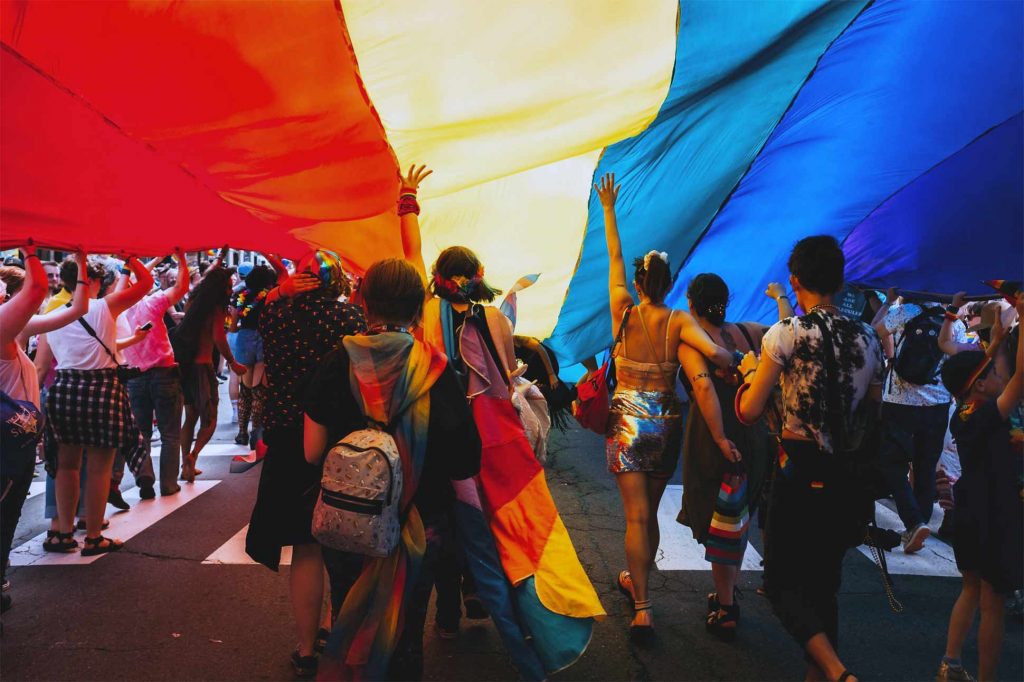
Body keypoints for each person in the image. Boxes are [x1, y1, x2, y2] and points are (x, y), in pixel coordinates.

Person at [304, 258, 481, 680]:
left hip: (348, 523)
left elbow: (312, 452)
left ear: (364, 304)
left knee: (350, 612)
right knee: (406, 631)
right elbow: (465, 461)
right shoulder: (436, 371)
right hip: (418, 527)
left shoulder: (337, 361)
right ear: (420, 308)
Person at [737, 235, 885, 682]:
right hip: (848, 475)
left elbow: (749, 410)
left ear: (795, 281)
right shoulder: (869, 339)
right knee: (825, 589)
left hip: (798, 471)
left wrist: (748, 376)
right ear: (839, 283)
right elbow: (873, 412)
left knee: (781, 585)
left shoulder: (787, 334)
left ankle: (839, 673)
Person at [594, 172, 733, 640]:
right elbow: (715, 354)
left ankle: (642, 606)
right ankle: (639, 584)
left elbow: (613, 255)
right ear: (671, 282)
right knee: (648, 515)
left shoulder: (623, 309)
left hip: (627, 419)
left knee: (633, 517)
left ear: (639, 280)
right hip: (665, 422)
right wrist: (739, 360)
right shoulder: (678, 321)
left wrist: (610, 209)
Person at [244, 249, 366, 676]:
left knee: (306, 544)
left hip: (288, 436)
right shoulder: (351, 321)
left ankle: (306, 648)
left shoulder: (275, 316)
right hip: (340, 438)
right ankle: (334, 627)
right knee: (344, 538)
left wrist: (278, 291)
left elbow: (243, 312)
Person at [677, 273, 771, 641]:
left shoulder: (692, 342)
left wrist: (717, 437)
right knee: (738, 514)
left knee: (719, 519)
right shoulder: (750, 333)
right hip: (754, 433)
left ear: (692, 304)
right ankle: (726, 591)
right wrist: (780, 297)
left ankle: (727, 605)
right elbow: (785, 330)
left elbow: (702, 387)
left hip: (714, 438)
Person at [935, 294, 1022, 682]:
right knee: (993, 604)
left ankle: (950, 663)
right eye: (993, 372)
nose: (1000, 375)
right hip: (995, 513)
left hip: (968, 509)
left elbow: (999, 371)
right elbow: (1021, 377)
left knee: (970, 589)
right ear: (981, 386)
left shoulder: (964, 414)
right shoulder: (989, 414)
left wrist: (1000, 338)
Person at [45, 254, 153, 555]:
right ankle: (93, 536)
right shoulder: (105, 306)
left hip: (64, 387)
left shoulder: (53, 314)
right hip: (102, 388)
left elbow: (45, 363)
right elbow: (147, 283)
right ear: (91, 280)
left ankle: (64, 534)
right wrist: (127, 256)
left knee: (66, 466)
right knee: (99, 468)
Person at [0, 245, 84, 604]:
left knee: (6, 521)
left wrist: (80, 263)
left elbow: (76, 309)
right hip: (5, 447)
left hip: (15, 446)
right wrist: (30, 246)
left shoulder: (14, 328)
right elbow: (35, 291)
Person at [874, 289, 970, 553]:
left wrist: (890, 301)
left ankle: (915, 522)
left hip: (898, 402)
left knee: (891, 464)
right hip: (937, 405)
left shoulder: (903, 313)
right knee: (925, 466)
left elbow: (873, 333)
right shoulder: (956, 324)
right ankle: (920, 525)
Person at [120, 249, 191, 498]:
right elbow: (182, 287)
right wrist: (181, 259)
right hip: (163, 374)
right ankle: (169, 484)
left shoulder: (116, 310)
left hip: (135, 378)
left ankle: (144, 475)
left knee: (142, 433)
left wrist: (143, 263)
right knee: (170, 433)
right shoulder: (153, 302)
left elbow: (139, 281)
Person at [172, 264, 246, 482]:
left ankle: (185, 462)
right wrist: (233, 362)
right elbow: (218, 337)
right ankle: (193, 456)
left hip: (185, 367)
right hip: (203, 367)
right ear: (220, 288)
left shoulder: (192, 302)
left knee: (190, 417)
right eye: (229, 286)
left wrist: (220, 258)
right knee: (210, 420)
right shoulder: (217, 308)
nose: (231, 290)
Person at [228, 260, 285, 447]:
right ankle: (256, 433)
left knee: (245, 390)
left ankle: (242, 433)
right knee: (258, 390)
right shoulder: (271, 297)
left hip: (244, 340)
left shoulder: (240, 297)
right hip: (263, 339)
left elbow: (233, 327)